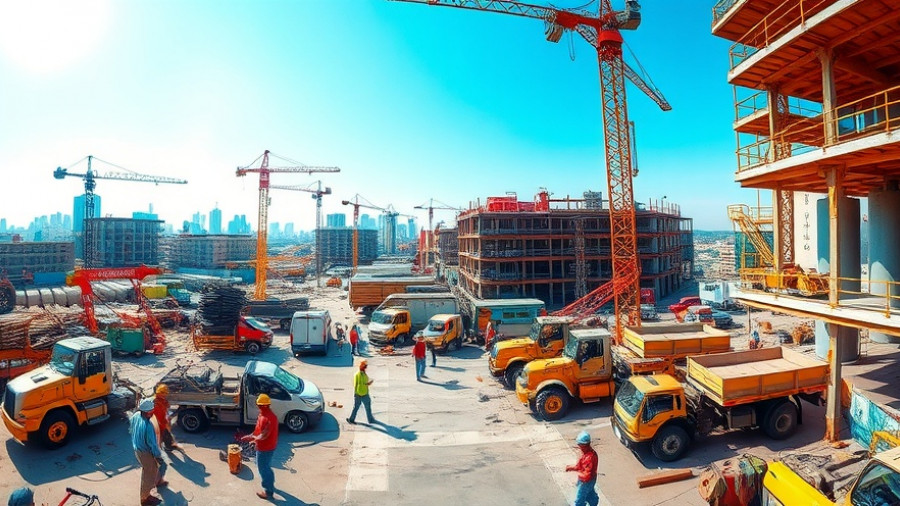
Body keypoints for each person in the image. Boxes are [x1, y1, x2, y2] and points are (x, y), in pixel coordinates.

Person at [241, 394, 279, 500]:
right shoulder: (262, 415)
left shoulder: (269, 418)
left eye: (259, 405)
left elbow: (264, 435)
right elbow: (258, 431)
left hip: (266, 448)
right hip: (265, 446)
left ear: (264, 406)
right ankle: (270, 484)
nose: (258, 406)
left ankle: (268, 492)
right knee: (266, 467)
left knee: (263, 469)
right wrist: (250, 436)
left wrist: (253, 439)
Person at [131, 398, 167, 506]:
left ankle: (157, 483)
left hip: (137, 449)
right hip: (145, 452)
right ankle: (145, 499)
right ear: (147, 412)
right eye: (151, 411)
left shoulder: (136, 416)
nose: (152, 412)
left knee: (153, 469)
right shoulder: (148, 426)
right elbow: (152, 445)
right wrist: (158, 457)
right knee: (148, 475)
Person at [565, 431, 599, 506]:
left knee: (579, 501)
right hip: (591, 480)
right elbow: (580, 466)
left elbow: (587, 476)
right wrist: (571, 468)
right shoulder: (588, 453)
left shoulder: (589, 458)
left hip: (586, 482)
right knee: (590, 493)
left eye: (580, 445)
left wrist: (576, 478)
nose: (578, 447)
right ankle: (594, 502)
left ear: (584, 445)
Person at [346, 360, 376, 424]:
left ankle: (351, 419)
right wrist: (368, 383)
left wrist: (356, 393)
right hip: (364, 393)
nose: (366, 368)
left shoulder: (358, 374)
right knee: (367, 407)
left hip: (358, 394)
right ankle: (370, 420)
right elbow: (364, 383)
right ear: (364, 367)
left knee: (356, 407)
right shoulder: (362, 375)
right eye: (365, 367)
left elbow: (355, 384)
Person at [153, 384, 180, 451]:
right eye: (164, 393)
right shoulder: (156, 402)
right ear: (160, 392)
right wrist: (165, 423)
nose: (165, 395)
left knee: (166, 435)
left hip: (163, 420)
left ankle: (168, 446)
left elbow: (167, 406)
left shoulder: (161, 399)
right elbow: (158, 415)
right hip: (159, 422)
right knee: (164, 435)